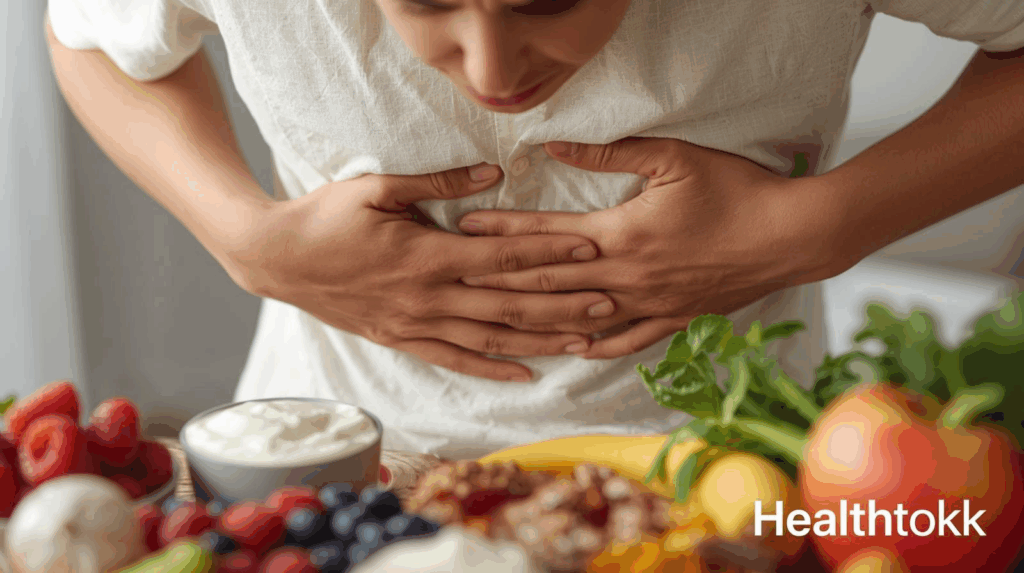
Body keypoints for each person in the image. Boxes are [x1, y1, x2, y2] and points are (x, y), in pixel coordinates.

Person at [46, 0, 1024, 458]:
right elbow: (86, 33)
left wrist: (822, 227)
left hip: (736, 473)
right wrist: (241, 236)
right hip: (329, 468)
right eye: (427, 2)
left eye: (546, 0)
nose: (490, 66)